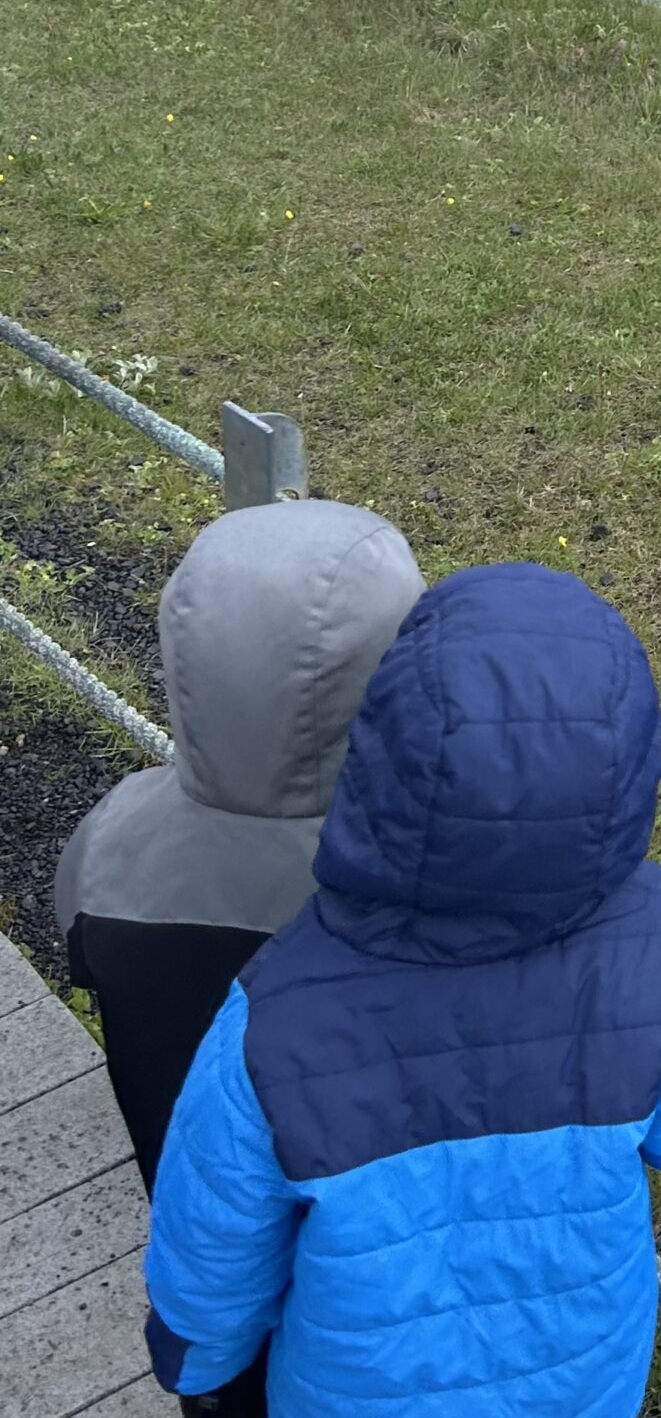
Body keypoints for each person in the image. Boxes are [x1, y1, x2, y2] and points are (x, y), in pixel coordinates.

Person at [144, 562, 661, 1418]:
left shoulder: (275, 1012)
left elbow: (214, 1240)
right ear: (629, 759)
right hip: (580, 1389)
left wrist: (198, 1367)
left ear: (381, 747)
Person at [56, 503, 424, 1196]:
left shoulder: (110, 839)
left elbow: (86, 962)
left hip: (195, 1219)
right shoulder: (437, 867)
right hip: (377, 1243)